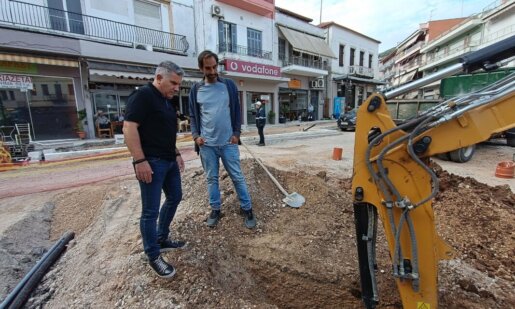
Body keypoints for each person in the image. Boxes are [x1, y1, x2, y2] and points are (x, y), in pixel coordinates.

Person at [123, 61, 186, 279]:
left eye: (179, 84)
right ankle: (153, 255)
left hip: (168, 160)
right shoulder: (143, 96)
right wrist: (139, 160)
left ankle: (161, 238)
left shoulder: (167, 101)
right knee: (150, 211)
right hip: (151, 162)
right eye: (173, 83)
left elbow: (165, 131)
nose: (176, 88)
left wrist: (176, 153)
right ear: (159, 78)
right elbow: (129, 128)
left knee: (175, 197)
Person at [189, 50, 256, 229]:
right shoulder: (196, 89)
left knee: (237, 176)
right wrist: (196, 136)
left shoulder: (229, 85)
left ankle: (247, 209)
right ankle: (215, 209)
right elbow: (193, 117)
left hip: (228, 143)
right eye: (208, 68)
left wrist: (236, 134)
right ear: (201, 68)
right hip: (207, 145)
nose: (212, 71)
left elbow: (236, 111)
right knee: (212, 179)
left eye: (214, 67)